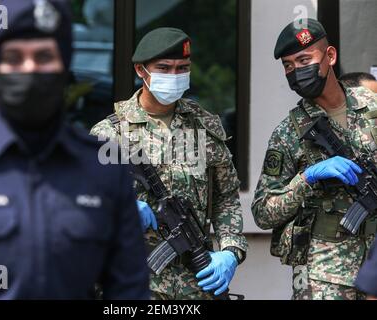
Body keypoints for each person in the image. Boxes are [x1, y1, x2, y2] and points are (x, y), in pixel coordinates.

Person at [0, 0, 149, 300]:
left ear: (64, 65)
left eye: (44, 56)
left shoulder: (104, 169)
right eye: (14, 57)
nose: (29, 68)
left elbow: (128, 297)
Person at [90, 27, 248, 300]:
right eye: (164, 67)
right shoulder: (110, 133)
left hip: (197, 283)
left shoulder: (204, 127)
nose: (174, 76)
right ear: (141, 70)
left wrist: (230, 251)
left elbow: (226, 198)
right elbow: (84, 203)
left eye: (181, 68)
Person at [252, 18, 377, 300]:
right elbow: (262, 212)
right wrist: (306, 178)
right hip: (325, 275)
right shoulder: (288, 133)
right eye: (288, 65)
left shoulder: (372, 107)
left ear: (330, 56)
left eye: (305, 59)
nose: (297, 71)